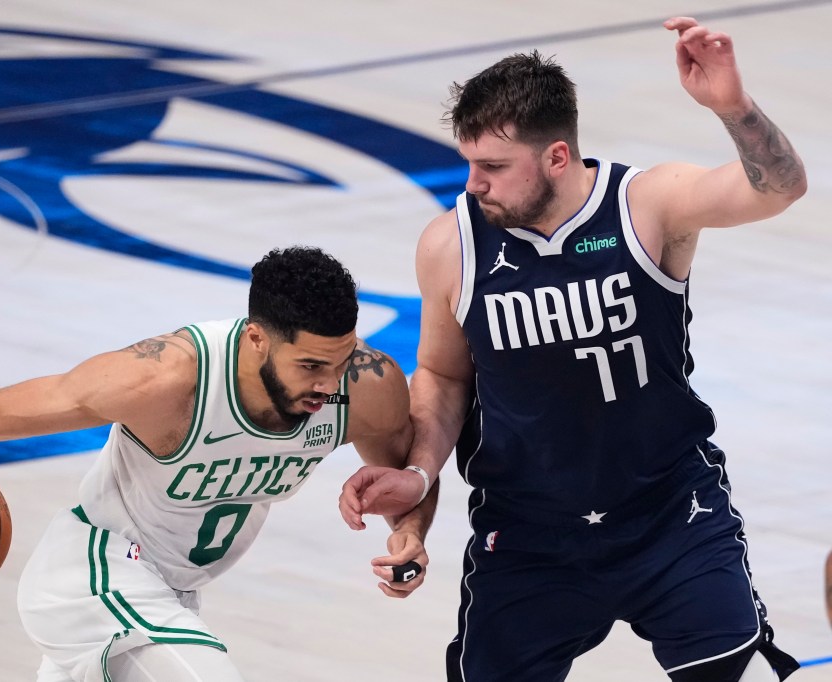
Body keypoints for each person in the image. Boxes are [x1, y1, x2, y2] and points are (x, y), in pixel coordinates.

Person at [339, 16, 806, 682]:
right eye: (470, 162)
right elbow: (442, 379)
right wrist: (417, 481)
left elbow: (780, 187)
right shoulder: (451, 245)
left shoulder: (647, 204)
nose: (474, 183)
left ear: (557, 156)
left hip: (672, 515)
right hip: (531, 536)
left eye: (494, 167)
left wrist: (733, 108)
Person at [0, 246, 418, 682]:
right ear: (255, 340)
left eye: (340, 362)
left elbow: (405, 474)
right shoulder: (161, 381)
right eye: (311, 365)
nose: (328, 383)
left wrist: (409, 533)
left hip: (173, 595)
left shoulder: (365, 385)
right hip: (96, 574)